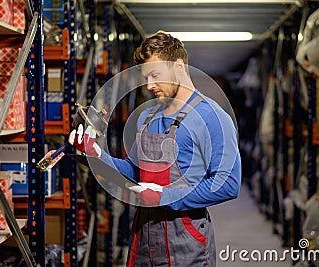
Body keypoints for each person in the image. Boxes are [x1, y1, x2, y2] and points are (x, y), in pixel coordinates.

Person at [69, 31, 241, 267]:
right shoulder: (147, 116)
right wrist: (97, 156)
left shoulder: (212, 117)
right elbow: (134, 170)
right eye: (145, 77)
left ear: (179, 66)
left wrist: (166, 196)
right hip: (143, 233)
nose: (149, 85)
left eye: (155, 75)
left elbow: (228, 183)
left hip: (185, 237)